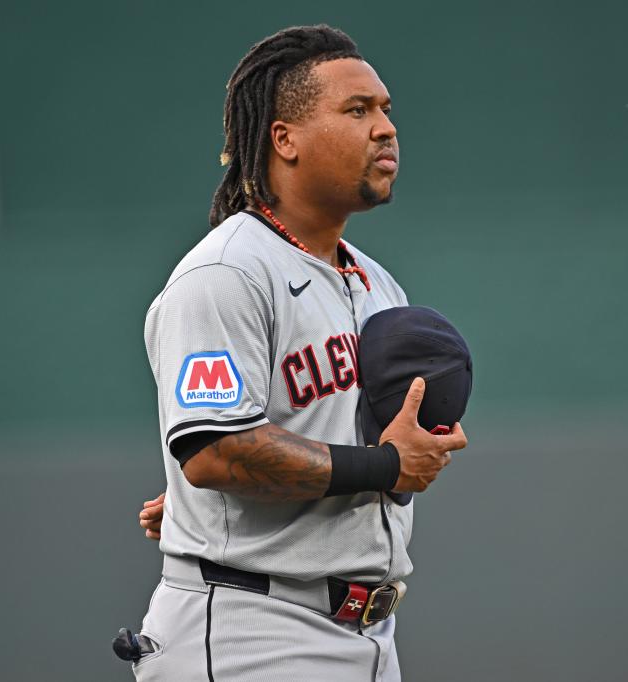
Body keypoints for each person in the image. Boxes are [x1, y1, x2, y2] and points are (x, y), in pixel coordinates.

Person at [128, 24, 468, 681]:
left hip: (368, 636)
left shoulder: (376, 283)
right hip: (252, 633)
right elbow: (214, 451)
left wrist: (390, 460)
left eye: (386, 110)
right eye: (357, 110)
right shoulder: (226, 272)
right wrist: (384, 465)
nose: (385, 129)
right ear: (283, 138)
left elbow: (303, 444)